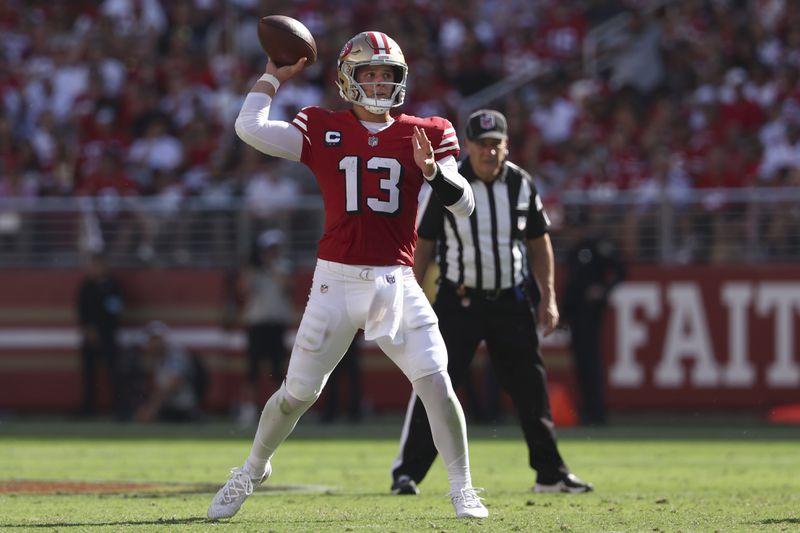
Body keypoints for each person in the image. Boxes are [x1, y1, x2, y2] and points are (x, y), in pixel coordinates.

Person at [207, 31, 488, 520]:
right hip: (334, 282)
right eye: (370, 73)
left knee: (437, 383)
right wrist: (274, 74)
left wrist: (433, 173)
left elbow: (464, 204)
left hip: (396, 282)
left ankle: (463, 488)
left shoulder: (430, 130)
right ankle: (252, 469)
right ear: (347, 79)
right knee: (297, 395)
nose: (380, 83)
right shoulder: (321, 126)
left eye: (388, 74)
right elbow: (248, 127)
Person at [389, 109, 594, 496]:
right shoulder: (448, 182)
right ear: (467, 146)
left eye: (495, 144)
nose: (488, 152)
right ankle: (407, 473)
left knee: (532, 388)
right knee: (435, 386)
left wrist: (548, 296)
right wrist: (409, 294)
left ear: (506, 145)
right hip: (458, 300)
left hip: (510, 302)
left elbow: (539, 242)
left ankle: (550, 474)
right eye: (481, 145)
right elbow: (425, 243)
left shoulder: (521, 183)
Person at [561, 212, 626, 426]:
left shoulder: (597, 248)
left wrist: (604, 291)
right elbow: (571, 287)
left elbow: (620, 270)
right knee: (581, 364)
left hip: (590, 313)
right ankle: (588, 410)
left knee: (590, 363)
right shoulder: (572, 252)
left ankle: (597, 411)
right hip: (575, 315)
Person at [237, 229, 294, 427]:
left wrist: (268, 267)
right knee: (252, 369)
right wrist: (252, 268)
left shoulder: (283, 267)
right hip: (257, 322)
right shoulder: (253, 270)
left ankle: (277, 410)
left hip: (276, 323)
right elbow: (244, 289)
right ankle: (248, 410)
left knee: (277, 369)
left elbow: (285, 284)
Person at [76, 252, 125, 418]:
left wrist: (102, 330)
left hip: (108, 336)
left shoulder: (113, 286)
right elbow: (81, 311)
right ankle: (88, 408)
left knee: (114, 373)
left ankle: (119, 409)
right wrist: (89, 330)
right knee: (89, 375)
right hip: (89, 336)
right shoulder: (86, 286)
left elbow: (115, 311)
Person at [133, 321, 207, 423]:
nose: (154, 344)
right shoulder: (155, 358)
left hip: (184, 406)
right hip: (166, 406)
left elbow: (173, 384)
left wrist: (152, 409)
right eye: (151, 340)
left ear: (163, 339)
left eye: (156, 339)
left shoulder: (176, 354)